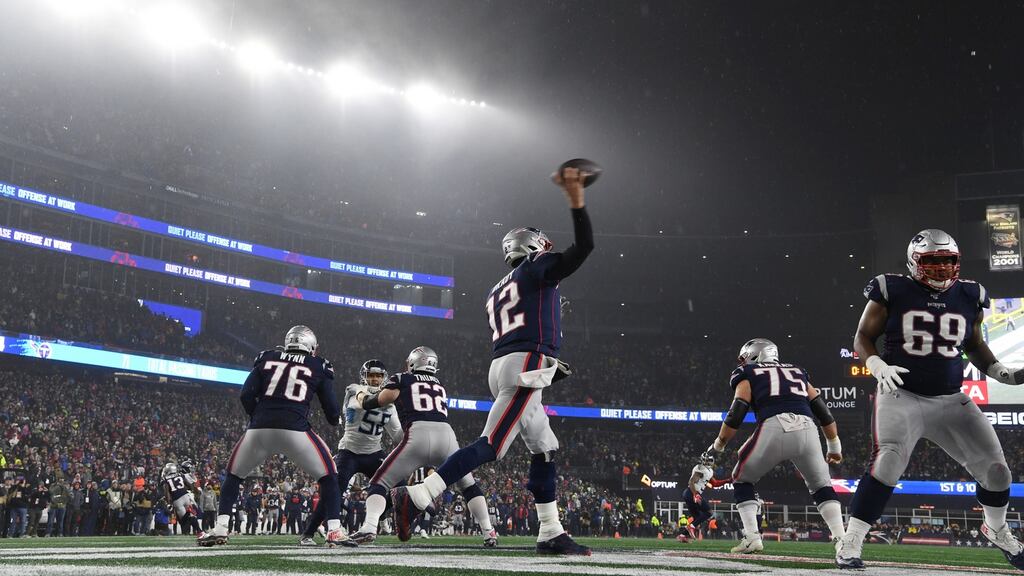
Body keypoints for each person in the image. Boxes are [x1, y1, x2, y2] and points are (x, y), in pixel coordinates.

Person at [391, 165, 595, 556]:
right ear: (533, 247)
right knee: (491, 445)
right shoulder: (535, 269)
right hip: (524, 366)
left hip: (509, 364)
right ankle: (419, 495)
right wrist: (576, 198)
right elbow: (583, 248)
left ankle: (550, 530)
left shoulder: (497, 288)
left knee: (544, 447)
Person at [836, 229, 1024, 570]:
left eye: (948, 260)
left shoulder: (970, 294)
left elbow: (974, 345)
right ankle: (851, 540)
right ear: (913, 261)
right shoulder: (891, 288)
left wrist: (1001, 372)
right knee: (888, 462)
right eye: (932, 261)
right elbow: (863, 336)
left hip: (952, 399)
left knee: (998, 474)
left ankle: (996, 530)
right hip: (901, 394)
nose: (941, 267)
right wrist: (875, 363)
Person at [198, 326, 353, 548]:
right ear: (312, 347)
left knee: (233, 476)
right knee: (329, 476)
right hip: (296, 431)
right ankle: (334, 529)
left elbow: (246, 395)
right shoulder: (319, 364)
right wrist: (334, 419)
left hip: (259, 430)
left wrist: (259, 416)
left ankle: (221, 527)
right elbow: (330, 408)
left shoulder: (267, 357)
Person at [703, 338, 845, 554]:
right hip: (808, 428)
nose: (742, 362)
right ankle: (843, 541)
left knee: (742, 479)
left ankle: (752, 537)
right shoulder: (798, 371)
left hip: (774, 425)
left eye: (744, 358)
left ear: (755, 354)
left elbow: (737, 412)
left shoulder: (747, 373)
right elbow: (823, 412)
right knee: (821, 486)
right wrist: (834, 447)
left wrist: (719, 445)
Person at [347, 347, 498, 547]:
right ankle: (489, 532)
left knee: (379, 483)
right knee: (469, 486)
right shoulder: (440, 384)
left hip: (417, 434)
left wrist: (362, 398)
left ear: (412, 362)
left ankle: (369, 526)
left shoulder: (402, 378)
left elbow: (378, 401)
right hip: (447, 436)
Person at [299, 359, 401, 546]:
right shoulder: (355, 391)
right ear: (364, 376)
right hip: (349, 452)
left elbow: (397, 435)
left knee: (399, 485)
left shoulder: (390, 404)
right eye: (371, 375)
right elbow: (354, 408)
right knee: (333, 492)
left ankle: (380, 517)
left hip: (373, 453)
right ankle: (309, 533)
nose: (375, 379)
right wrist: (382, 399)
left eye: (379, 375)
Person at [682, 453, 728, 540]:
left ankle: (683, 535)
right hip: (691, 493)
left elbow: (715, 483)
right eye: (706, 460)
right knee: (709, 512)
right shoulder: (701, 469)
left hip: (689, 494)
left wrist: (728, 480)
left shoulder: (709, 471)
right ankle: (690, 527)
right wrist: (695, 494)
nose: (707, 462)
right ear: (702, 460)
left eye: (709, 460)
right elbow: (691, 482)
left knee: (697, 518)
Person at [160, 460, 206, 540]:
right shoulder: (180, 475)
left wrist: (168, 503)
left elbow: (167, 493)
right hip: (185, 496)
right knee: (191, 516)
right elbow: (189, 485)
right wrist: (194, 491)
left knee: (183, 521)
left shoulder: (166, 480)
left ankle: (197, 531)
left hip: (177, 500)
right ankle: (200, 532)